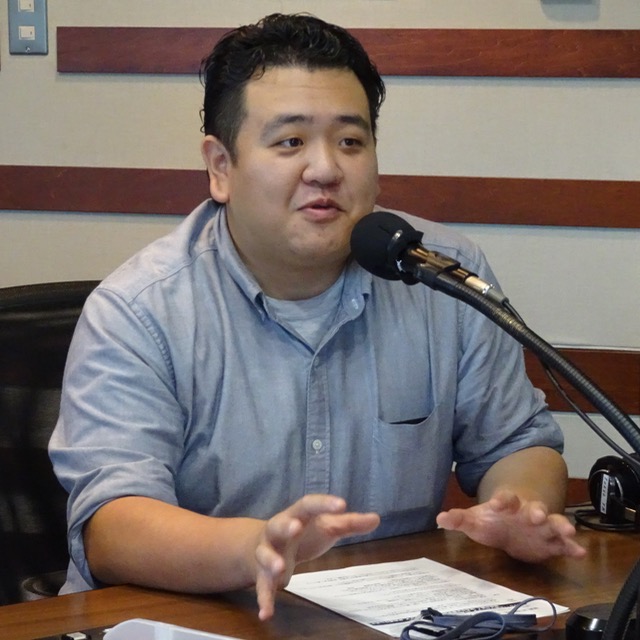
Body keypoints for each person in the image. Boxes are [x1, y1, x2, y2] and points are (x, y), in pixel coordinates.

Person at [49, 12, 586, 622]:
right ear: (221, 167)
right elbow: (111, 526)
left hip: (391, 622)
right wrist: (254, 548)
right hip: (197, 621)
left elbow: (518, 444)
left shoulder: (442, 276)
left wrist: (520, 509)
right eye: (291, 142)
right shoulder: (139, 311)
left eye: (350, 142)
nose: (326, 168)